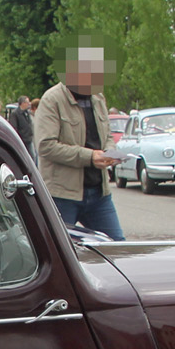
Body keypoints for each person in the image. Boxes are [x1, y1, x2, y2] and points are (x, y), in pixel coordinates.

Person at [36, 44, 123, 240]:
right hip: (63, 195)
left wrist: (110, 153)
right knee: (59, 252)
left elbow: (107, 135)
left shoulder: (98, 98)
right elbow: (45, 146)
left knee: (117, 248)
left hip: (99, 193)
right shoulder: (52, 100)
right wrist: (90, 157)